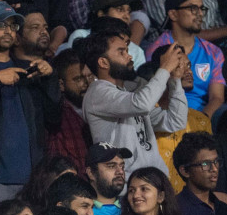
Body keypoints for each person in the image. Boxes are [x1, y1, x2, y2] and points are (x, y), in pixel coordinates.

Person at [78, 27, 187, 178]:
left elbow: (175, 121)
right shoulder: (97, 93)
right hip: (128, 189)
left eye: (127, 51)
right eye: (121, 52)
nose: (129, 56)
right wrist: (165, 68)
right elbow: (142, 104)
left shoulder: (127, 95)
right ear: (103, 62)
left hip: (154, 183)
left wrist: (174, 80)